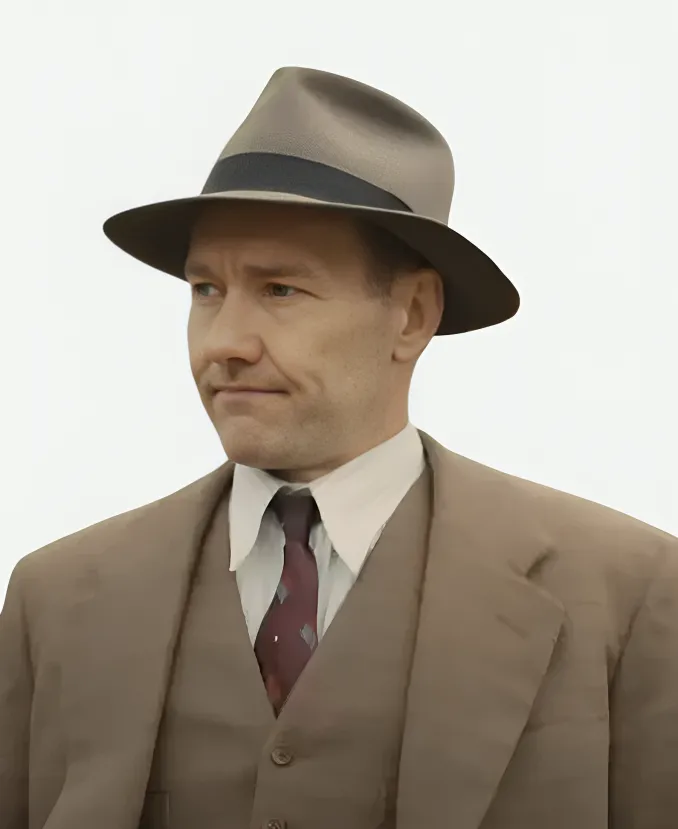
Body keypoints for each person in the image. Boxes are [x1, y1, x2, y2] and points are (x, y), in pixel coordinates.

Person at [1, 66, 676, 829]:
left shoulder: (628, 595)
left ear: (412, 314)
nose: (224, 342)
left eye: (280, 290)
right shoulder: (52, 604)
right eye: (206, 290)